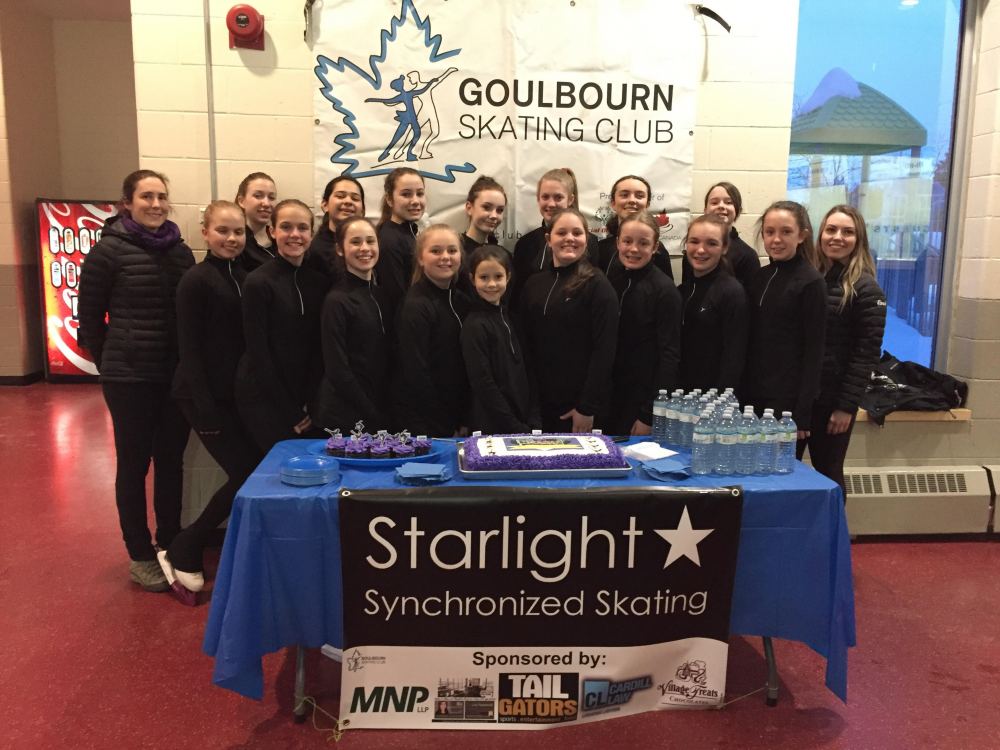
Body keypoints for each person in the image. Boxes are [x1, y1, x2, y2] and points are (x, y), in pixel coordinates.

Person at [77, 169, 195, 593]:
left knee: (171, 462)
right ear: (127, 203)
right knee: (133, 465)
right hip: (130, 378)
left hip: (173, 377)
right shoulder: (107, 252)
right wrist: (113, 361)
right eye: (146, 196)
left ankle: (170, 541)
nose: (156, 204)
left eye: (161, 196)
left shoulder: (180, 252)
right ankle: (140, 554)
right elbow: (89, 319)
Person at [163, 200, 263, 604]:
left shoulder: (245, 276)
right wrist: (205, 409)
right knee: (245, 471)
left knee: (256, 470)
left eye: (238, 232)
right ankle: (186, 545)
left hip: (234, 397)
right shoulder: (195, 281)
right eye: (223, 230)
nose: (231, 238)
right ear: (205, 232)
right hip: (200, 396)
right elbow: (189, 348)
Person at [235, 199, 329, 451]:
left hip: (302, 397)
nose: (295, 234)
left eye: (302, 228)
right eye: (286, 227)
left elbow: (317, 349)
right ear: (272, 231)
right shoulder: (258, 282)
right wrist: (289, 411)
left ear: (311, 233)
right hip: (263, 397)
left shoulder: (319, 283)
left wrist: (311, 402)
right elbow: (258, 353)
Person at [805, 205, 886, 493]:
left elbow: (866, 355)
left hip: (834, 403)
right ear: (820, 235)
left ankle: (834, 525)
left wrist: (845, 407)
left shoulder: (866, 289)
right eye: (831, 230)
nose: (837, 237)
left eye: (847, 232)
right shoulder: (811, 278)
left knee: (828, 473)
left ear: (858, 239)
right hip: (803, 399)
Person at [519, 208, 618, 432]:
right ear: (548, 239)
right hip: (539, 405)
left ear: (587, 239)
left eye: (577, 233)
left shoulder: (598, 285)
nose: (569, 238)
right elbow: (524, 345)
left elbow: (604, 351)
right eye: (561, 232)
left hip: (577, 409)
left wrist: (587, 407)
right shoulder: (533, 284)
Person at [743, 200, 827, 446]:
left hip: (786, 403)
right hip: (753, 396)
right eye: (770, 232)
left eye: (786, 232)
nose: (776, 239)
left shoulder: (811, 283)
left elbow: (814, 351)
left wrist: (802, 412)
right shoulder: (760, 276)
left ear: (802, 236)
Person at [607, 211, 682, 435]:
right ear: (617, 242)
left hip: (641, 401)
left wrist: (649, 413)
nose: (634, 249)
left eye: (643, 243)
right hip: (609, 396)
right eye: (627, 241)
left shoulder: (665, 291)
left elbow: (669, 357)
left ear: (655, 246)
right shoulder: (611, 280)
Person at [391, 224, 470, 436]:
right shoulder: (415, 305)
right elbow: (416, 372)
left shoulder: (462, 301)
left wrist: (464, 417)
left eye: (452, 250)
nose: (445, 257)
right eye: (436, 251)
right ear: (420, 258)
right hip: (425, 422)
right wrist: (443, 425)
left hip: (456, 416)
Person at [315, 217, 392, 433]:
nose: (364, 248)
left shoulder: (381, 295)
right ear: (340, 249)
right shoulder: (337, 301)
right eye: (355, 242)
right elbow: (337, 369)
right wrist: (371, 411)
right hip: (345, 414)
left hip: (376, 407)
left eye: (370, 241)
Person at [461, 245, 537, 433]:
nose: (492, 284)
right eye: (484, 277)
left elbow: (527, 371)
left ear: (508, 277)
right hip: (493, 425)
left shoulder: (510, 318)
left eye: (498, 276)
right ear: (472, 279)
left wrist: (533, 417)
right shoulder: (474, 325)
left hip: (521, 419)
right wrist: (513, 426)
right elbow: (483, 383)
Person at [677, 214, 749, 391]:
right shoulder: (682, 290)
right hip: (680, 394)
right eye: (694, 241)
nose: (701, 250)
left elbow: (734, 355)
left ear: (724, 248)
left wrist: (720, 398)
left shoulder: (732, 293)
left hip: (712, 398)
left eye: (711, 243)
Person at [510, 168, 599, 306]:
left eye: (558, 197)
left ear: (570, 199)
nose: (551, 204)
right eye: (545, 197)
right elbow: (518, 296)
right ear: (538, 199)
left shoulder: (589, 242)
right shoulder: (525, 244)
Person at [681, 181, 760, 289]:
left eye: (728, 202)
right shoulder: (692, 252)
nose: (721, 206)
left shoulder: (748, 256)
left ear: (738, 210)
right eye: (714, 202)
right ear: (705, 210)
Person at [595, 174, 674, 281]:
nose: (632, 200)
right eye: (624, 195)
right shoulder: (601, 248)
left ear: (647, 204)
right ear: (613, 203)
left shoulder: (658, 251)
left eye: (639, 196)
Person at [374, 167, 425, 315]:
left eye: (420, 193)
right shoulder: (389, 240)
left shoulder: (409, 231)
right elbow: (396, 298)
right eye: (406, 194)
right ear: (390, 199)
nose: (415, 201)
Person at [306, 175, 365, 282]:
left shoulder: (369, 245)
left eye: (355, 198)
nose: (348, 201)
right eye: (340, 196)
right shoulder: (315, 251)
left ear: (362, 210)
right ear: (325, 205)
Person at [235, 172, 277, 271]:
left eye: (271, 198)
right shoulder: (235, 242)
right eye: (258, 196)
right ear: (241, 201)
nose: (266, 203)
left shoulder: (280, 236)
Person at [461, 176, 506, 255]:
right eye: (486, 207)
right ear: (469, 208)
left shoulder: (503, 255)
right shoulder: (455, 251)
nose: (494, 215)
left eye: (500, 210)